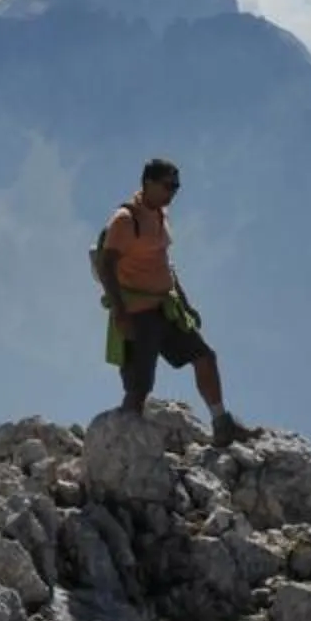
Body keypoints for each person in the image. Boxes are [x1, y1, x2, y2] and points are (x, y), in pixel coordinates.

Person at [95, 156, 254, 443]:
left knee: (204, 356)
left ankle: (222, 423)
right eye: (168, 186)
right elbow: (107, 266)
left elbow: (164, 262)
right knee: (139, 385)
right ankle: (119, 446)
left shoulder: (159, 216)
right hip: (137, 314)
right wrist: (120, 312)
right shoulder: (124, 220)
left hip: (165, 309)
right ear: (148, 183)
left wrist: (185, 302)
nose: (173, 193)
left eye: (177, 187)